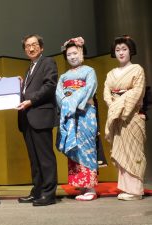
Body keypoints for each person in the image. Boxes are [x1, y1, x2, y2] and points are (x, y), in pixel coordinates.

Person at [17, 34, 58, 206]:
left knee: (45, 157)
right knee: (34, 158)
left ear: (41, 47)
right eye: (27, 46)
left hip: (40, 116)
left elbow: (49, 86)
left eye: (34, 45)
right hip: (28, 118)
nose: (31, 48)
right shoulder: (30, 68)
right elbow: (30, 91)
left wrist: (30, 100)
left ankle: (49, 193)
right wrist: (18, 86)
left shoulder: (47, 62)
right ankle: (38, 190)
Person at [104, 35, 146, 200]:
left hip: (131, 115)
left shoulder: (137, 69)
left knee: (134, 151)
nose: (121, 53)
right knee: (121, 151)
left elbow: (137, 91)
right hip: (117, 116)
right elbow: (106, 92)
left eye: (124, 49)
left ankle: (136, 191)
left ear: (130, 51)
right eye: (117, 50)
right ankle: (126, 187)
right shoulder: (111, 73)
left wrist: (119, 105)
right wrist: (114, 105)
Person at [56, 37, 98, 201]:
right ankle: (81, 186)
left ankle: (91, 187)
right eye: (69, 54)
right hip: (70, 114)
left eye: (75, 53)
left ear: (82, 53)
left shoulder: (89, 71)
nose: (72, 57)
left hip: (85, 112)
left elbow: (89, 88)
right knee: (74, 147)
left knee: (87, 146)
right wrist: (66, 103)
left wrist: (72, 100)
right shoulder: (64, 76)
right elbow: (59, 94)